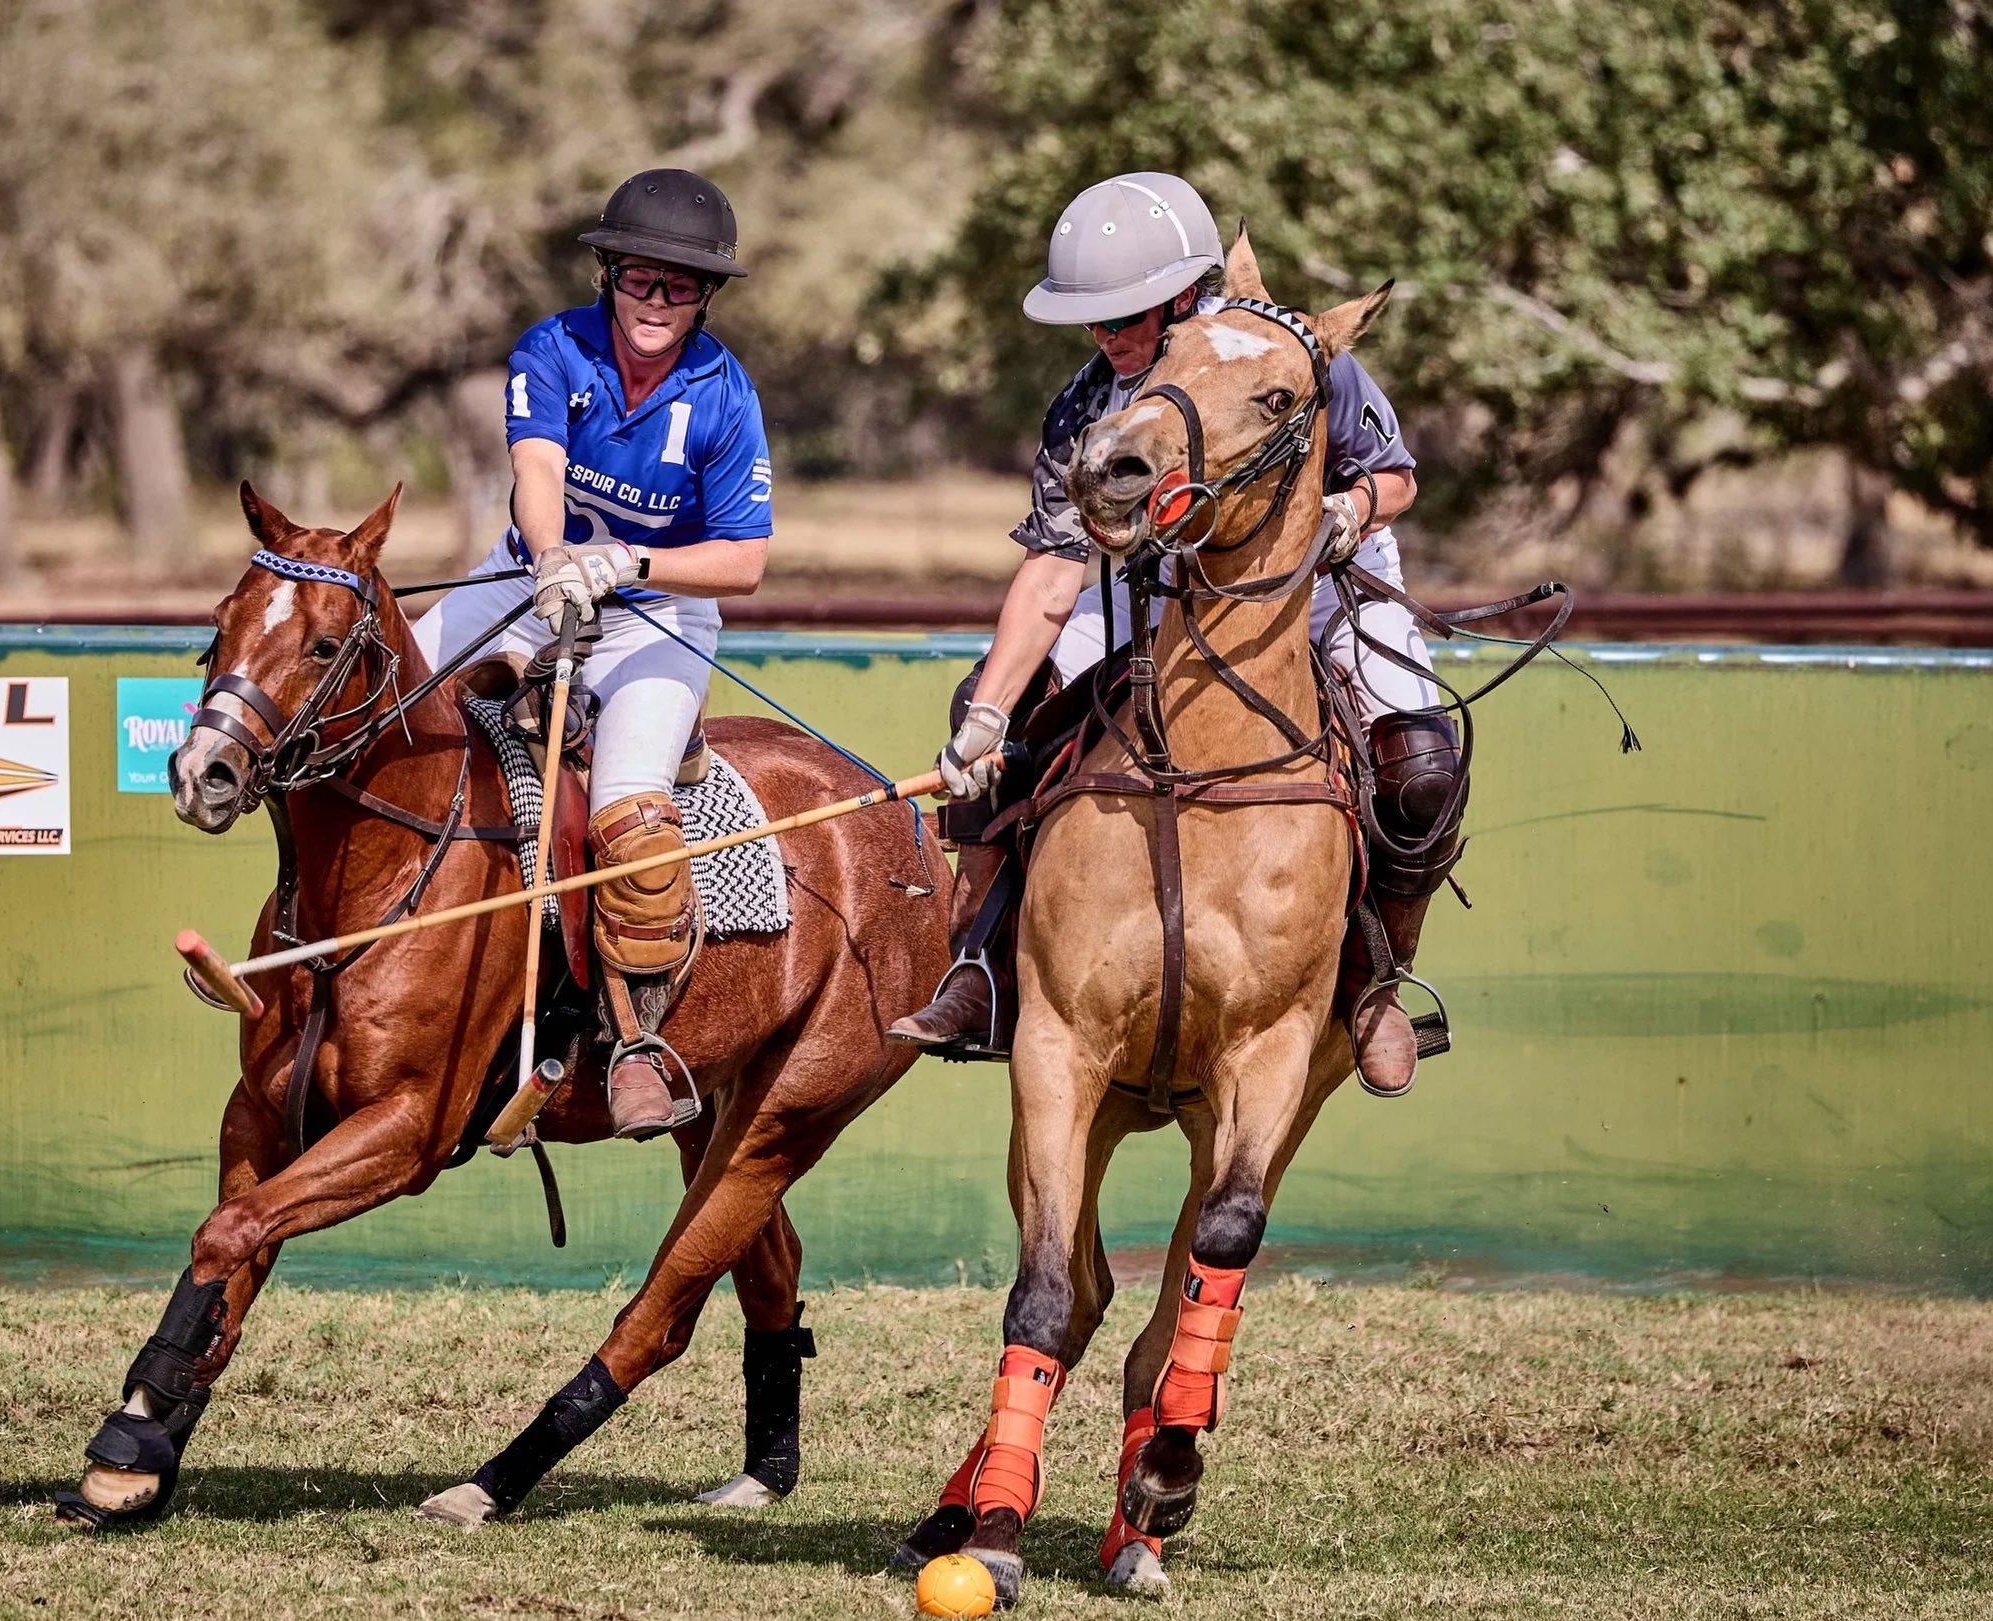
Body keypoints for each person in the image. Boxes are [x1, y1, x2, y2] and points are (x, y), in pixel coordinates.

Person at [886, 171, 1461, 1096]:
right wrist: (989, 715)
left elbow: (1396, 476)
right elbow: (1052, 566)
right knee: (1001, 710)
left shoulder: (1291, 356)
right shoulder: (1087, 403)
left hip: (1322, 581)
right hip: (1165, 588)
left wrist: (1351, 510)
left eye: (1131, 316)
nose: (1111, 340)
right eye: (1097, 322)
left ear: (1191, 294)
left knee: (1422, 765)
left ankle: (1377, 980)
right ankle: (982, 965)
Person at [412, 168, 773, 1137]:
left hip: (658, 615)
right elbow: (536, 472)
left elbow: (744, 561)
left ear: (705, 297)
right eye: (640, 280)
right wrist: (553, 557)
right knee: (383, 710)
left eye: (680, 286)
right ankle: (312, 931)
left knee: (628, 813)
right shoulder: (553, 348)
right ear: (608, 274)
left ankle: (637, 1041)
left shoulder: (726, 397)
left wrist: (632, 559)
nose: (656, 303)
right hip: (526, 581)